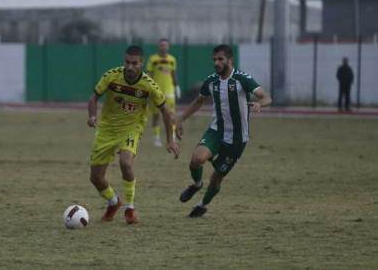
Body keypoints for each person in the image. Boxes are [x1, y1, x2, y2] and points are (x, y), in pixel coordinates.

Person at [87, 45, 180, 224]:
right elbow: (93, 98)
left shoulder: (149, 85)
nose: (130, 67)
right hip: (106, 129)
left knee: (125, 163)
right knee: (96, 178)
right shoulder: (111, 76)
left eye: (134, 63)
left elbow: (166, 112)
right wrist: (92, 116)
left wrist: (170, 140)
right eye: (127, 62)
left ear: (141, 63)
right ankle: (114, 202)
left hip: (131, 128)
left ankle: (130, 208)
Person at [176, 44, 271, 218]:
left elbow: (266, 97)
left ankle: (202, 205)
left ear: (229, 60)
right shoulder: (212, 81)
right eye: (214, 60)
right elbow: (199, 101)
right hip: (216, 131)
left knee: (217, 177)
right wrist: (181, 119)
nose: (216, 63)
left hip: (237, 139)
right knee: (197, 159)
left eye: (220, 59)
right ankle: (196, 184)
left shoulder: (243, 79)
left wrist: (259, 103)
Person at [146, 38, 180, 147]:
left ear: (168, 46)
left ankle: (173, 136)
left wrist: (176, 86)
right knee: (156, 115)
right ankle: (157, 138)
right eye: (161, 45)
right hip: (156, 91)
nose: (163, 47)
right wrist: (148, 88)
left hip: (169, 92)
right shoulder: (152, 59)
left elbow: (174, 74)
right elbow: (149, 74)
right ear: (158, 46)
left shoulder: (172, 59)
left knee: (171, 115)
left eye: (165, 45)